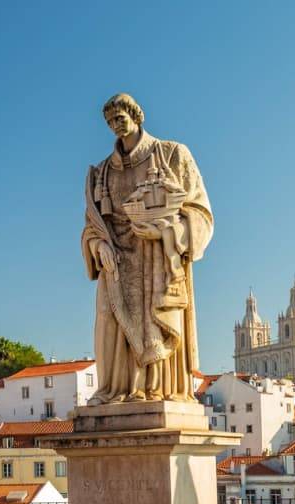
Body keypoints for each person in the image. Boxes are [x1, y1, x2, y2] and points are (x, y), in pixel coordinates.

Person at [82, 93, 213, 404]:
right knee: (109, 322)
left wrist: (168, 231)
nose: (116, 125)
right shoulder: (100, 172)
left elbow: (201, 212)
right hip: (116, 262)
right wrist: (98, 244)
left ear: (136, 116)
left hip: (157, 259)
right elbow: (91, 225)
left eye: (120, 118)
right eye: (110, 121)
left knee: (155, 322)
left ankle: (155, 389)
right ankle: (116, 390)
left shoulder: (172, 154)